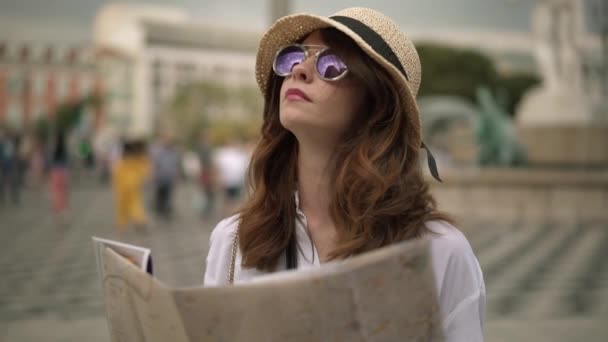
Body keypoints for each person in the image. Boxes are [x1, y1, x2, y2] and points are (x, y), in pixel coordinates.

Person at [203, 7, 485, 341]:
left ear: (376, 105)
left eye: (331, 64)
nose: (300, 70)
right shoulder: (235, 240)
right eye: (292, 57)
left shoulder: (440, 250)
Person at [111, 139, 150, 230]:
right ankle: (137, 220)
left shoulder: (124, 160)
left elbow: (116, 172)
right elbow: (145, 170)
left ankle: (130, 222)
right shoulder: (136, 159)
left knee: (127, 204)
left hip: (126, 185)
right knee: (132, 204)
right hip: (130, 184)